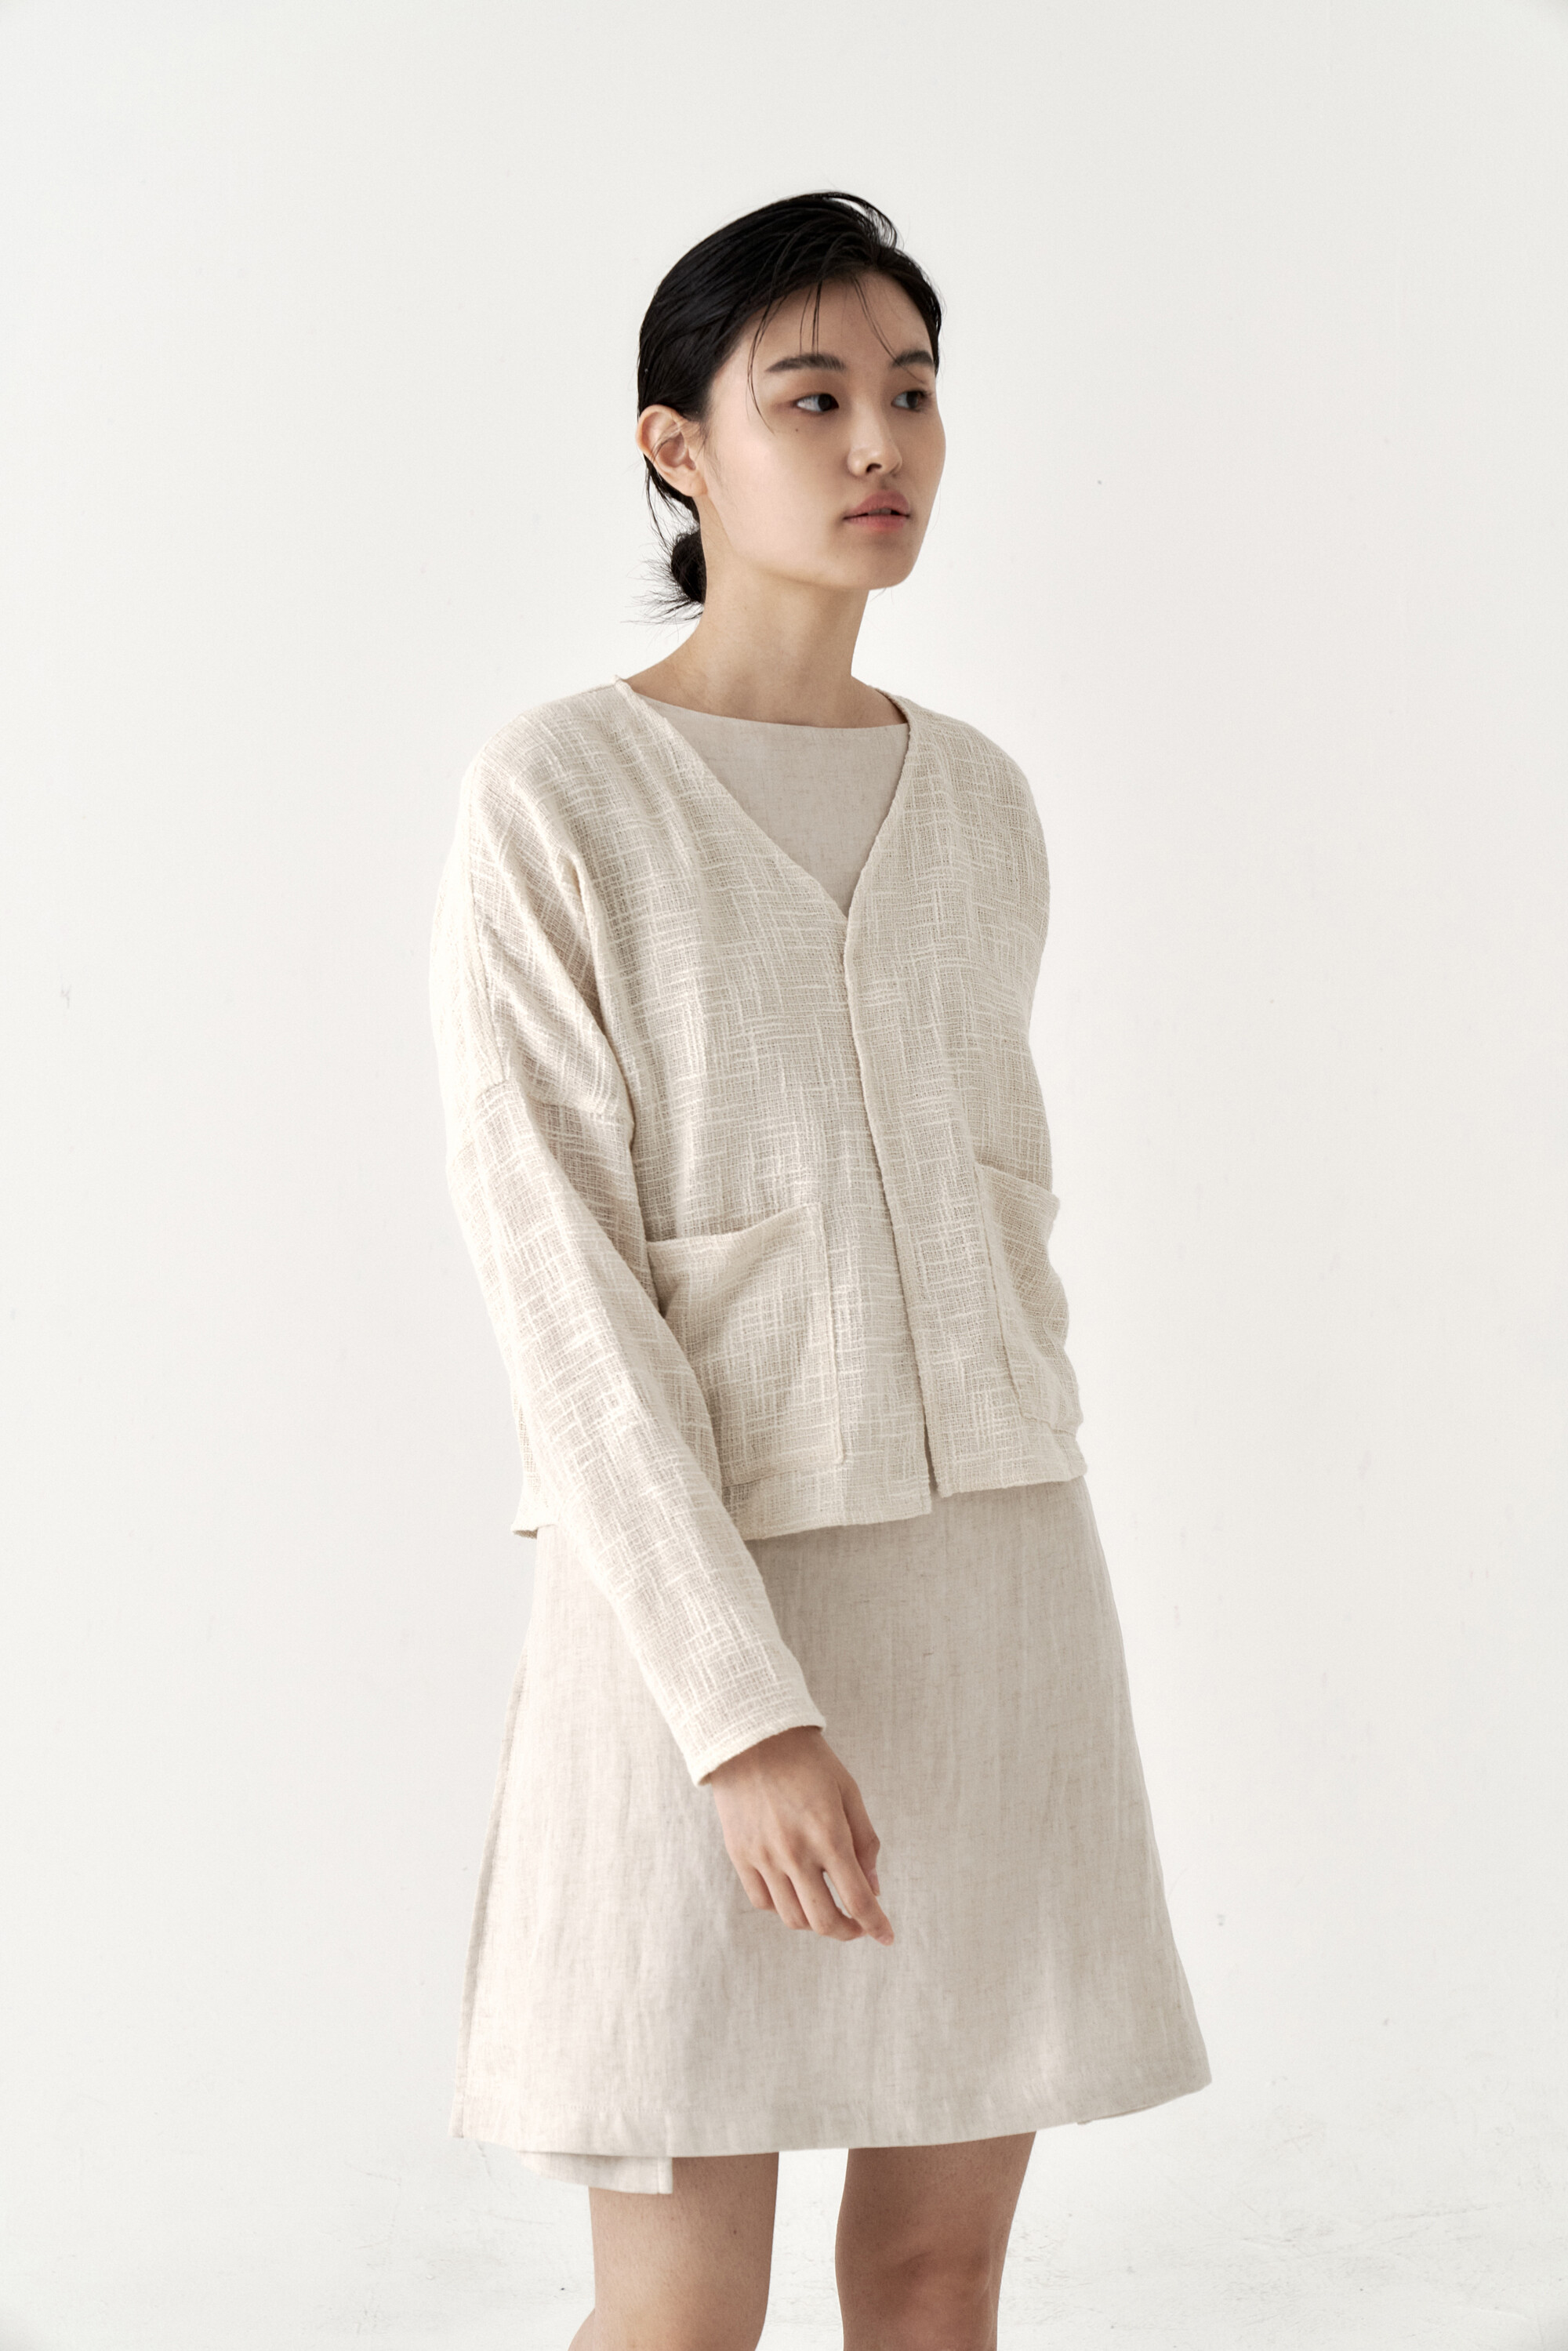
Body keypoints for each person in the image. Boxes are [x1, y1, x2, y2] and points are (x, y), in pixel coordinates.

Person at [428, 189, 1210, 2351]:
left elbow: (998, 1223)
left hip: (997, 1602)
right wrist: (741, 1714)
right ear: (677, 446)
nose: (882, 443)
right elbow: (562, 1290)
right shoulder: (561, 793)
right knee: (685, 2314)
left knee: (941, 2285)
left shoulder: (983, 805)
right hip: (696, 1625)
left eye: (915, 393)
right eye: (812, 398)